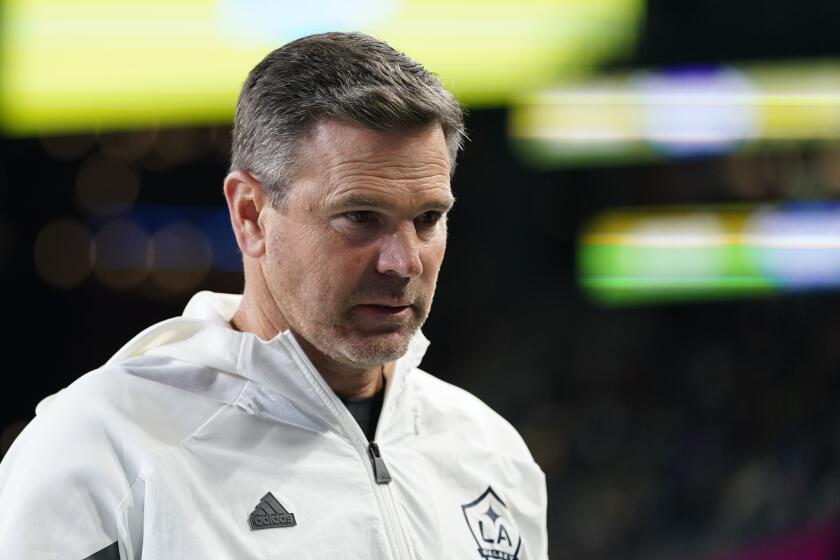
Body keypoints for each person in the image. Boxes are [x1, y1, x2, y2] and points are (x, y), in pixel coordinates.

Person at [0, 32, 547, 559]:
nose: (404, 262)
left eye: (428, 219)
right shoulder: (102, 448)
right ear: (250, 215)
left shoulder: (491, 454)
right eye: (359, 217)